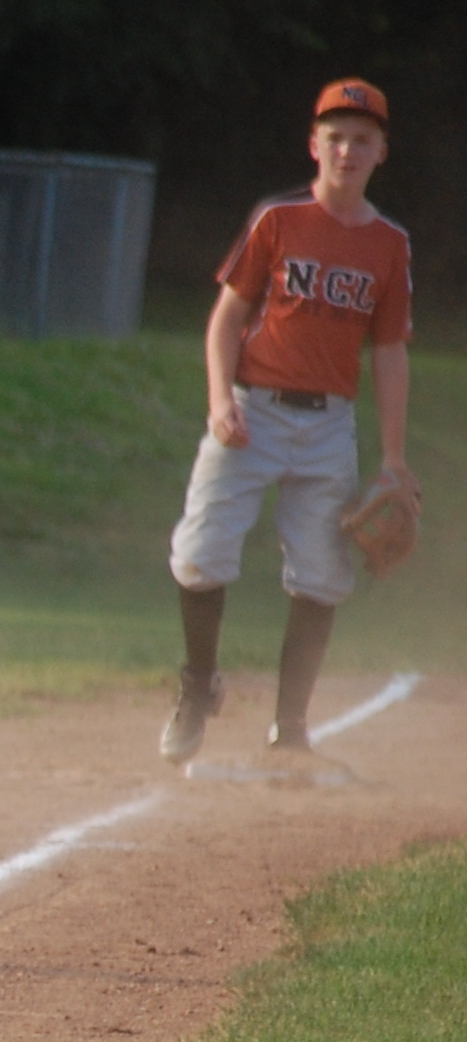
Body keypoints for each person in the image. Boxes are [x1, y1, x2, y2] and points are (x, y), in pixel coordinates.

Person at [162, 78, 412, 771]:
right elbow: (227, 318)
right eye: (335, 136)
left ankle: (289, 729)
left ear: (381, 153)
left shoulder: (390, 245)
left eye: (363, 139)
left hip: (329, 426)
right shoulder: (278, 220)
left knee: (322, 579)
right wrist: (219, 400)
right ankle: (197, 686)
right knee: (199, 556)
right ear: (314, 145)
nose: (347, 149)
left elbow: (389, 351)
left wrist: (393, 456)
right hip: (253, 409)